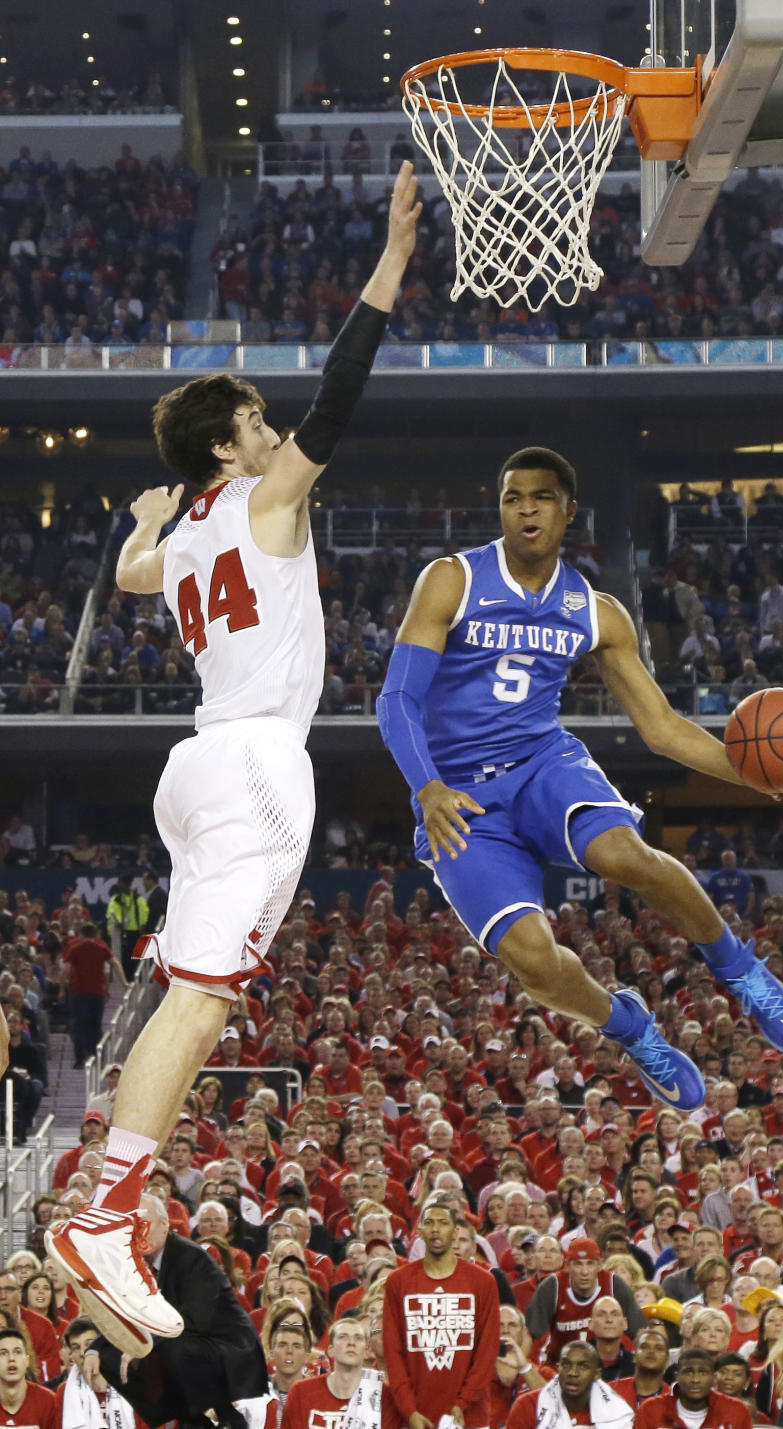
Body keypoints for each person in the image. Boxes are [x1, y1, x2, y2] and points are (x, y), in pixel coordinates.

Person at [45, 164, 422, 1359]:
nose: (275, 433)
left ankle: (105, 1211)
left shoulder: (193, 529)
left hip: (201, 762)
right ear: (230, 439)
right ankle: (103, 1214)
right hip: (257, 763)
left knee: (196, 998)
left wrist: (149, 526)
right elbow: (342, 394)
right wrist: (393, 264)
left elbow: (128, 577)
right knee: (204, 999)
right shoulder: (262, 504)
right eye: (257, 424)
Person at [376, 448, 783, 1112]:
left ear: (568, 511)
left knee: (622, 853)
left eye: (542, 496)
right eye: (513, 496)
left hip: (541, 764)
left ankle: (741, 968)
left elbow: (662, 727)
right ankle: (632, 1028)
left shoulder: (597, 611)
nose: (526, 508)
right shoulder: (452, 580)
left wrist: (753, 776)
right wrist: (427, 787)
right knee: (532, 960)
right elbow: (396, 700)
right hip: (458, 795)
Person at [82, 1193, 270, 1429]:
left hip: (227, 1347)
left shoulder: (192, 1258)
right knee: (110, 1356)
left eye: (145, 1222)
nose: (139, 1230)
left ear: (165, 1225)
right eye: (133, 1224)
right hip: (184, 1342)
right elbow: (127, 1318)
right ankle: (177, 1416)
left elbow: (192, 1319)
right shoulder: (135, 1265)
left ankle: (222, 1416)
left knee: (172, 1349)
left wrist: (144, 1344)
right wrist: (94, 1350)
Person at [382, 1197, 499, 1429]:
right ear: (420, 1231)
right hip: (415, 1417)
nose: (436, 1229)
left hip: (470, 1417)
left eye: (443, 1223)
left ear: (455, 1232)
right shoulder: (398, 1281)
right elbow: (393, 1353)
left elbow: (487, 1351)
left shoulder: (483, 1282)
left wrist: (463, 1403)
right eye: (429, 1222)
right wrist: (409, 1410)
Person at [524, 1237, 643, 1365]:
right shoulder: (553, 1286)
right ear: (568, 1266)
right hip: (558, 1365)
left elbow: (639, 1332)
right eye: (578, 1264)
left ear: (599, 1265)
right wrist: (522, 1369)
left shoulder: (615, 1285)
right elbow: (529, 1334)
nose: (584, 1272)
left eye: (590, 1263)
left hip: (604, 1367)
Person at [505, 1341, 632, 1429]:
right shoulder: (528, 1406)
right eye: (566, 1365)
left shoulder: (616, 1410)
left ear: (596, 1374)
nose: (572, 1373)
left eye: (583, 1366)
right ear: (558, 1368)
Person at [280, 1319, 379, 1429]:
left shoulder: (381, 1394)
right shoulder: (301, 1392)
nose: (351, 1343)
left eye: (358, 1338)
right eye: (343, 1337)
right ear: (330, 1350)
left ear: (366, 1351)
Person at [61, 922, 129, 1070]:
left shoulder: (75, 948)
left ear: (82, 934)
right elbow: (115, 963)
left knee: (78, 1025)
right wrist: (124, 982)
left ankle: (80, 1059)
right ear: (96, 934)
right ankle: (96, 1057)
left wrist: (61, 988)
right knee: (95, 1025)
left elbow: (66, 969)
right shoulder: (102, 947)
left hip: (78, 992)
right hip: (97, 992)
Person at [636, 1347, 752, 1429]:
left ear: (714, 1377)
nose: (695, 1380)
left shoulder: (736, 1411)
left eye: (703, 1373)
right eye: (688, 1372)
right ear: (677, 1377)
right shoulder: (650, 1410)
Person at [0, 1326, 57, 1429]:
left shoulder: (48, 1401)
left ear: (27, 1361)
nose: (11, 1358)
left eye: (17, 1352)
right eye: (3, 1353)